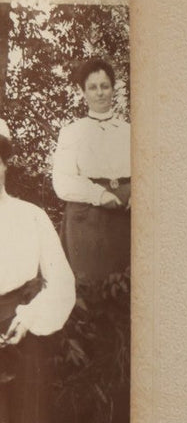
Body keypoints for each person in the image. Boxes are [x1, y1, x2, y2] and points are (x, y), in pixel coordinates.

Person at [0, 119, 77, 423]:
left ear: (6, 164)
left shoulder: (32, 216)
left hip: (26, 331)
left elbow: (62, 282)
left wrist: (27, 319)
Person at [51, 57, 130, 282]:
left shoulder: (129, 131)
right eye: (93, 87)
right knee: (91, 288)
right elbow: (63, 181)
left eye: (105, 86)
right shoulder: (72, 132)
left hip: (125, 217)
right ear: (83, 91)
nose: (100, 93)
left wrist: (138, 192)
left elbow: (148, 170)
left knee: (125, 288)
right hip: (88, 220)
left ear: (113, 89)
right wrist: (99, 194)